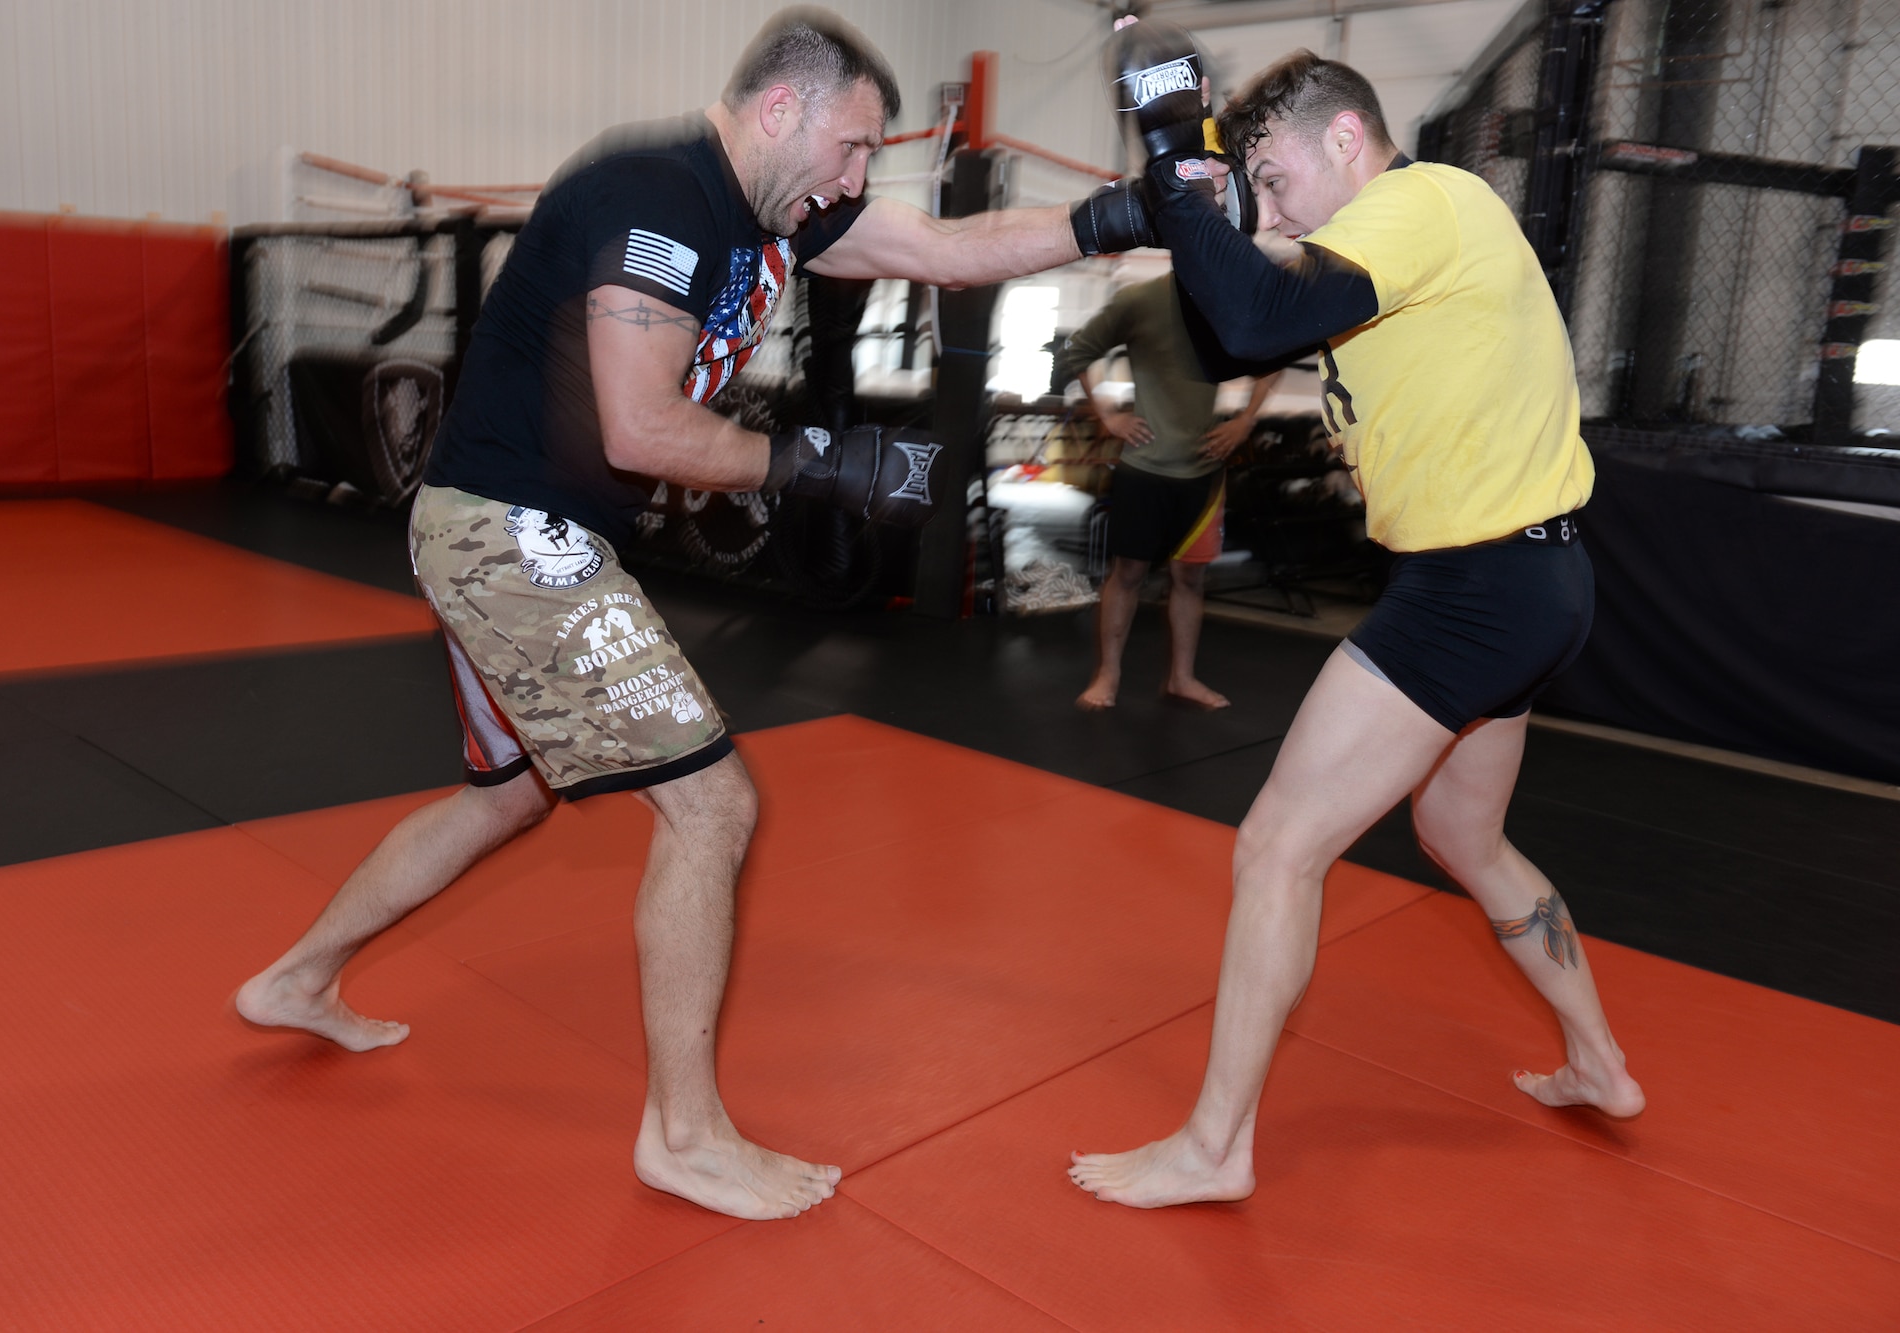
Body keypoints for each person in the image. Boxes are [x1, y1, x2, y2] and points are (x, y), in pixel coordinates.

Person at [237, 7, 1155, 1222]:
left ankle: (298, 978)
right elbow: (641, 427)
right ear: (782, 109)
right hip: (510, 533)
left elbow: (946, 247)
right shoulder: (657, 197)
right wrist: (820, 465)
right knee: (712, 802)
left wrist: (1116, 219)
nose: (854, 176)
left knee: (506, 794)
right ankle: (683, 1134)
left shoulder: (780, 207)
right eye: (850, 146)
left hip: (524, 532)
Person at [1069, 41, 1645, 1210]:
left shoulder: (1419, 200)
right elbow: (1241, 320)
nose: (1271, 207)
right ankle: (1600, 1062)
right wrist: (1195, 203)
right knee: (1463, 839)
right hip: (1535, 583)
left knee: (1275, 846)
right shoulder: (1399, 241)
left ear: (1345, 139)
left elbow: (1253, 313)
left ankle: (1213, 1146)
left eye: (1275, 177)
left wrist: (1182, 172)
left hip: (1475, 590)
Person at [1062, 273, 1279, 711]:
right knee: (1128, 574)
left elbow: (1274, 357)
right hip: (1144, 467)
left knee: (1190, 578)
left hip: (1203, 470)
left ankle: (1182, 677)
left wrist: (1244, 420)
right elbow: (1078, 351)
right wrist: (1108, 415)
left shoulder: (1228, 296)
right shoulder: (1142, 300)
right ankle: (1108, 675)